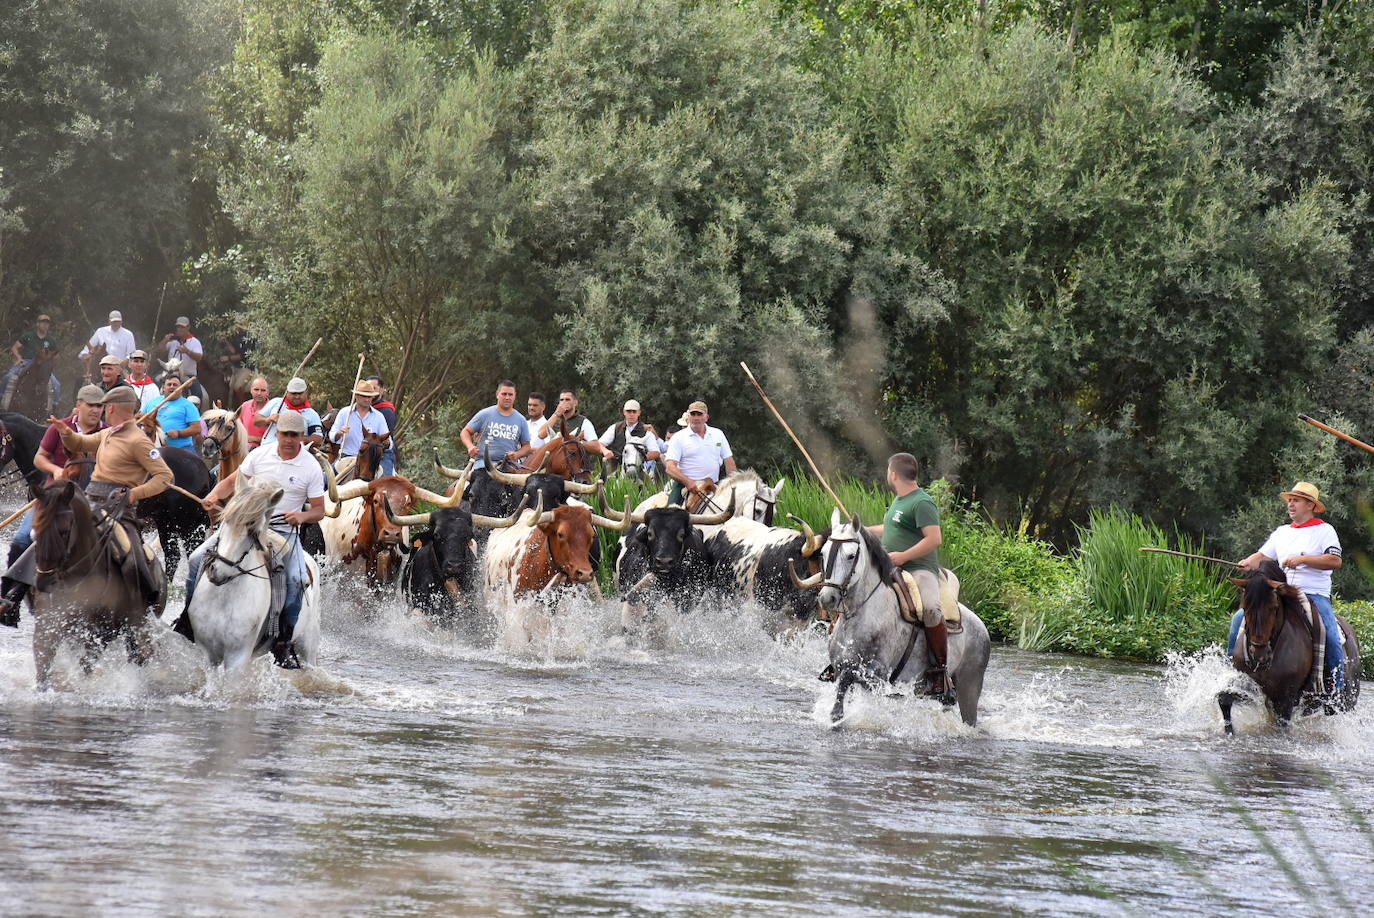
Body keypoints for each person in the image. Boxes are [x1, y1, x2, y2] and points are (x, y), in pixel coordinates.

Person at [11, 387, 174, 615]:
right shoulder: (108, 433)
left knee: (130, 553)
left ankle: (141, 608)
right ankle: (15, 590)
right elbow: (79, 443)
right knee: (47, 533)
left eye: (105, 406)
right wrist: (65, 432)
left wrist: (134, 494)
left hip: (120, 507)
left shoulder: (139, 441)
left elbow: (166, 477)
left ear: (112, 408)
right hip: (90, 500)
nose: (102, 411)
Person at [185, 410, 325, 667]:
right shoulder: (261, 454)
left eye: (295, 435)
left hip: (282, 530)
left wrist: (301, 517)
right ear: (278, 433)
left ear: (302, 436)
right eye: (285, 434)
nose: (289, 440)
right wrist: (214, 496)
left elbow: (319, 510)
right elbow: (231, 480)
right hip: (244, 523)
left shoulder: (310, 466)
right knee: (195, 559)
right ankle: (186, 621)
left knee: (296, 578)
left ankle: (283, 640)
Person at [0, 385, 107, 625]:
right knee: (22, 539)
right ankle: (9, 600)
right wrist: (56, 469)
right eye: (90, 405)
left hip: (94, 498)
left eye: (99, 406)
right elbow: (39, 458)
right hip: (54, 497)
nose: (95, 410)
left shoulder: (108, 432)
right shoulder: (58, 428)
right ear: (79, 404)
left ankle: (137, 599)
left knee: (121, 543)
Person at [1232, 481, 1346, 696]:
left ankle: (1336, 687)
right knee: (1239, 618)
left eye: (1296, 500)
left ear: (1310, 505)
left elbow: (1334, 560)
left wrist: (1303, 559)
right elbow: (1262, 556)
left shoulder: (1325, 530)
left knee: (1330, 634)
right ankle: (1233, 673)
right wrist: (1248, 561)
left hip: (1313, 593)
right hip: (1282, 590)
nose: (1290, 505)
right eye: (1290, 501)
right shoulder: (1282, 532)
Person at [863, 452, 952, 699]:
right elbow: (891, 529)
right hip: (892, 567)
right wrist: (862, 530)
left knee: (932, 609)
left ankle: (939, 671)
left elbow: (934, 539)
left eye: (887, 472)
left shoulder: (921, 502)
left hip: (920, 569)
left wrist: (903, 556)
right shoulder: (898, 501)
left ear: (893, 474)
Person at [664, 400, 736, 507]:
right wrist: (688, 482)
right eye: (693, 414)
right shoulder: (678, 437)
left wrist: (733, 484)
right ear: (688, 417)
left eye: (699, 414)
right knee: (669, 518)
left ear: (706, 417)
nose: (696, 417)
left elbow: (729, 461)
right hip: (684, 487)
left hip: (713, 486)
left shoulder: (718, 434)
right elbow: (670, 467)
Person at [3, 313, 61, 406]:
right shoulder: (28, 336)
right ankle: (2, 399)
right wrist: (19, 358)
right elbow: (15, 347)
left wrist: (50, 361)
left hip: (43, 366)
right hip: (26, 362)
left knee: (56, 385)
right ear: (37, 324)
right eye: (43, 322)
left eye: (47, 323)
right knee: (8, 377)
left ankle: (54, 406)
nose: (45, 325)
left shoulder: (51, 340)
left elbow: (57, 356)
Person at [328, 379, 390, 461]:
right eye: (364, 396)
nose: (367, 399)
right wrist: (339, 434)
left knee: (385, 473)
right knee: (327, 474)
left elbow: (388, 442)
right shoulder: (345, 413)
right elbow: (332, 436)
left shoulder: (379, 416)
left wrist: (385, 442)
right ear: (356, 396)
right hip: (347, 457)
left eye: (370, 397)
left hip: (370, 460)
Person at [258, 377, 324, 449]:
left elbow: (318, 439)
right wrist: (268, 419)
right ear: (287, 392)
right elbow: (256, 420)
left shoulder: (312, 414)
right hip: (268, 449)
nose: (297, 396)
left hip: (295, 453)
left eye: (300, 393)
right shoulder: (276, 403)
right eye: (293, 393)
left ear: (306, 393)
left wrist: (296, 438)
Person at [598, 399, 663, 470]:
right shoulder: (615, 428)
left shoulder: (646, 431)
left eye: (634, 412)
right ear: (624, 412)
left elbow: (656, 452)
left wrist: (641, 458)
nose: (631, 414)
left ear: (639, 413)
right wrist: (605, 451)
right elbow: (599, 444)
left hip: (638, 468)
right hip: (616, 467)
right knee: (601, 480)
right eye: (628, 411)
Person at [80, 310, 137, 380]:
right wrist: (86, 355)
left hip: (119, 368)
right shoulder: (100, 331)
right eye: (114, 322)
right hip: (100, 368)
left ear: (121, 321)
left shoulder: (128, 334)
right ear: (109, 321)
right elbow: (86, 350)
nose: (116, 324)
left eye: (118, 321)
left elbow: (132, 354)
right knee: (83, 384)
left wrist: (124, 361)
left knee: (129, 386)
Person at [160, 316, 206, 404]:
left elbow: (199, 358)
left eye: (182, 327)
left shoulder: (194, 342)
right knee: (156, 381)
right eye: (178, 327)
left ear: (188, 327)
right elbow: (160, 351)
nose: (180, 329)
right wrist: (164, 341)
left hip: (188, 376)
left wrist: (187, 351)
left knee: (197, 393)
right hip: (170, 374)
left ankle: (196, 414)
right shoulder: (172, 342)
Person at [149, 375, 202, 450]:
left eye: (175, 385)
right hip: (154, 448)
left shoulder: (188, 405)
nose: (171, 387)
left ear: (181, 389)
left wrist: (179, 433)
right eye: (169, 384)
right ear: (164, 388)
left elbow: (197, 428)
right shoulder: (153, 402)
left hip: (182, 449)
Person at [367, 375, 398, 476]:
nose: (370, 391)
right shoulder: (360, 409)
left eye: (374, 388)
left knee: (385, 481)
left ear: (381, 390)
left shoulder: (386, 410)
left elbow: (385, 437)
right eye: (368, 388)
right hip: (361, 450)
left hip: (382, 452)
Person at [238, 377, 271, 447]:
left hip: (265, 452)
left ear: (268, 393)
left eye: (263, 390)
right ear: (251, 390)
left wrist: (254, 439)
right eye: (256, 389)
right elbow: (237, 430)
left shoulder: (273, 409)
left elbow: (276, 439)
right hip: (244, 452)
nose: (259, 393)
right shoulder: (244, 406)